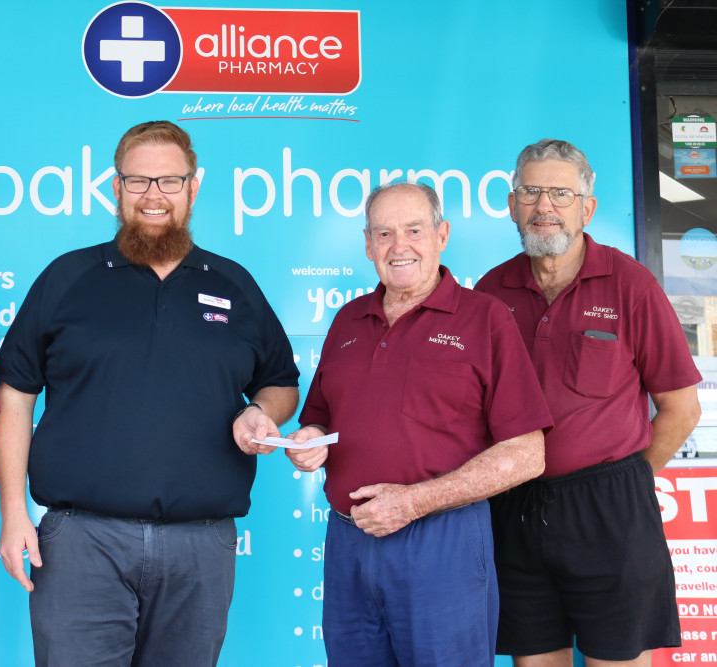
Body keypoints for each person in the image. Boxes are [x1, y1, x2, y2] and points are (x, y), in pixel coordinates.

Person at [0, 120, 299, 666]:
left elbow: (281, 383)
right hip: (83, 542)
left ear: (193, 188)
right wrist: (14, 511)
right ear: (116, 188)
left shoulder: (234, 285)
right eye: (138, 182)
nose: (153, 196)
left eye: (169, 182)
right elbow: (14, 392)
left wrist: (260, 410)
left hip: (201, 548)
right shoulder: (68, 278)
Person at [286, 181, 553, 666]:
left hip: (442, 541)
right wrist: (308, 441)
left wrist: (413, 502)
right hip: (349, 541)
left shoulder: (485, 318)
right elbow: (321, 419)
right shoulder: (348, 320)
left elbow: (527, 453)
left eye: (414, 229)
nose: (399, 246)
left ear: (442, 234)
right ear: (367, 244)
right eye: (384, 233)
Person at [474, 139, 702, 667]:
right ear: (512, 206)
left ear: (587, 208)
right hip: (516, 507)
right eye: (530, 192)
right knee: (534, 660)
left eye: (560, 193)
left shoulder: (631, 285)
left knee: (619, 659)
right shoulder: (490, 292)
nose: (544, 206)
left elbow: (682, 408)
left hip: (612, 510)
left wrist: (627, 483)